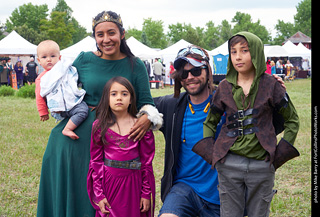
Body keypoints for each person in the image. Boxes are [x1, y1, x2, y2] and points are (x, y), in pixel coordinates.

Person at [37, 10, 162, 217]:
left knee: (104, 196)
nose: (106, 39)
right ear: (94, 37)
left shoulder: (135, 65)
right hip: (76, 137)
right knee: (76, 192)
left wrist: (148, 117)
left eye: (111, 33)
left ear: (122, 34)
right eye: (100, 34)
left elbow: (146, 102)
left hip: (113, 141)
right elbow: (58, 81)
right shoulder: (84, 59)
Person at [193, 32, 300, 216]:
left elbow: (292, 120)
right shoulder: (224, 87)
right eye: (233, 52)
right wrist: (213, 155)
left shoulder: (271, 85)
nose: (238, 57)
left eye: (244, 50)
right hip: (229, 165)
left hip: (262, 165)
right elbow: (210, 122)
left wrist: (278, 156)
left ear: (256, 53)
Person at [154, 45, 221, 217]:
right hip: (184, 190)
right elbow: (132, 100)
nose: (190, 77)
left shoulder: (225, 102)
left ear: (207, 71)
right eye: (184, 73)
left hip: (222, 195)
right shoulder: (171, 106)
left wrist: (276, 93)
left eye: (196, 71)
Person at [87, 76, 156, 217]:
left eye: (124, 94)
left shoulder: (140, 127)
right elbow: (95, 162)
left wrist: (145, 192)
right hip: (109, 185)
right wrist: (99, 195)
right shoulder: (99, 127)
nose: (119, 98)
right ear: (107, 98)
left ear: (131, 99)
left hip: (134, 185)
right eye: (114, 94)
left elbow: (147, 163)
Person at [35, 40, 89, 140]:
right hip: (58, 109)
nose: (49, 60)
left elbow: (74, 80)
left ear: (59, 58)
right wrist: (43, 112)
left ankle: (69, 127)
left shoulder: (65, 70)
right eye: (44, 57)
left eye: (52, 56)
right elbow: (39, 96)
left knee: (84, 109)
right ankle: (67, 129)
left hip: (72, 103)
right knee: (82, 111)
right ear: (39, 61)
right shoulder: (42, 78)